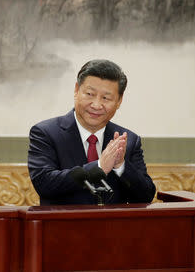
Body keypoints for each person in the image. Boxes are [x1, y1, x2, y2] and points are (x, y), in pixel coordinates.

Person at [28, 59, 156, 205]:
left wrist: (121, 165)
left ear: (119, 101)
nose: (96, 105)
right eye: (89, 94)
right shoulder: (46, 133)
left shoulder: (128, 140)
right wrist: (99, 167)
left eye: (106, 98)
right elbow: (44, 184)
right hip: (63, 226)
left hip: (113, 226)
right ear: (76, 90)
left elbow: (146, 196)